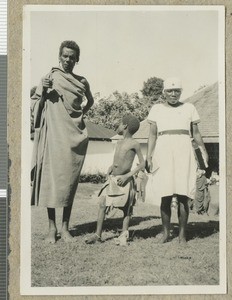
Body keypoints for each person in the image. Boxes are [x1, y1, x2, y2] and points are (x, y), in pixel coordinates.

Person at [31, 40, 94, 243]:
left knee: (69, 182)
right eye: (65, 56)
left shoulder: (82, 81)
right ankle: (52, 228)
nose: (68, 60)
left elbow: (90, 101)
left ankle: (65, 228)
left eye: (72, 57)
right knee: (51, 180)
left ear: (77, 59)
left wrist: (79, 116)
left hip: (73, 136)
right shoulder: (49, 78)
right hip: (53, 136)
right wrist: (44, 94)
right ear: (60, 56)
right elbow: (36, 106)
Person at [146, 77, 208, 244]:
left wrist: (203, 150)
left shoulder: (189, 107)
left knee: (183, 194)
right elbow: (152, 135)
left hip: (184, 149)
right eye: (170, 91)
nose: (173, 94)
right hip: (163, 149)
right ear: (164, 92)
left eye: (177, 91)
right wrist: (149, 156)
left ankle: (182, 235)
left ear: (181, 92)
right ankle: (166, 233)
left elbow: (195, 133)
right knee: (165, 194)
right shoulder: (157, 109)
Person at [85, 114, 145, 245]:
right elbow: (118, 159)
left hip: (125, 180)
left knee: (125, 208)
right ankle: (97, 235)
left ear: (125, 126)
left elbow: (142, 164)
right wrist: (112, 166)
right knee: (102, 203)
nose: (117, 126)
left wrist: (127, 176)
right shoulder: (119, 142)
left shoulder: (134, 144)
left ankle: (124, 235)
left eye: (119, 124)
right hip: (113, 179)